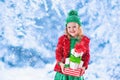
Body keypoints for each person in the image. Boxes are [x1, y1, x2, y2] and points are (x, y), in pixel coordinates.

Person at [54, 10, 90, 80]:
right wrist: (61, 64)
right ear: (66, 28)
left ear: (79, 27)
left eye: (74, 27)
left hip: (76, 72)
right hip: (63, 71)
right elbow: (58, 53)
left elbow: (86, 56)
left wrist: (84, 66)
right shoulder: (63, 39)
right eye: (69, 27)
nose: (71, 29)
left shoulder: (83, 41)